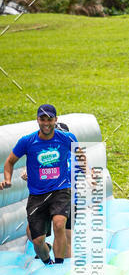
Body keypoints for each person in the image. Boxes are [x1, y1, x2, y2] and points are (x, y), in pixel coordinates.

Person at [1, 104, 77, 264]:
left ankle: (62, 266)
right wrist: (32, 173)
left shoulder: (69, 151)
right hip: (40, 195)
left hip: (64, 194)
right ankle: (46, 252)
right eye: (43, 119)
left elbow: (78, 166)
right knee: (32, 234)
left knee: (61, 228)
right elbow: (17, 161)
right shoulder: (31, 142)